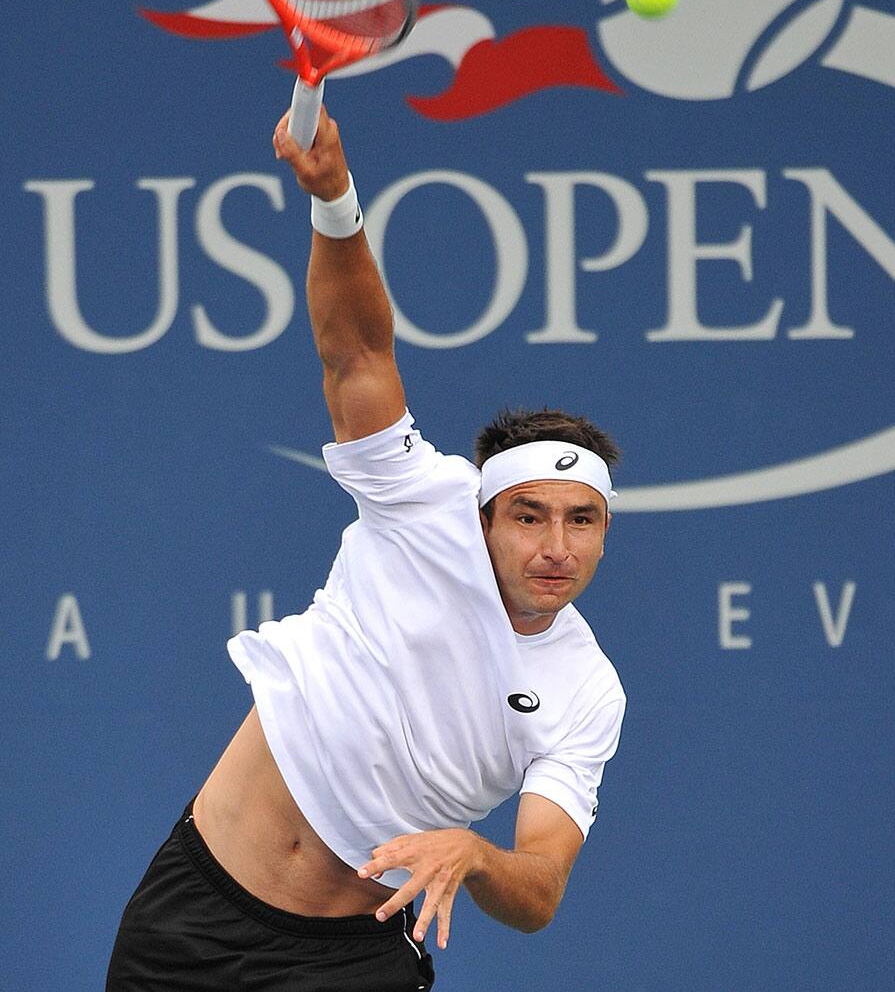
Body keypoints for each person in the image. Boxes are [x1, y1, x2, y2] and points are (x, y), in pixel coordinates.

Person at [106, 106, 626, 991]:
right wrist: (333, 199)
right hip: (194, 916)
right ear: (483, 516)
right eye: (529, 515)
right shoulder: (424, 505)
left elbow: (539, 889)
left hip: (346, 966)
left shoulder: (587, 692)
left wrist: (477, 855)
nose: (556, 546)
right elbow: (356, 352)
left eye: (582, 520)